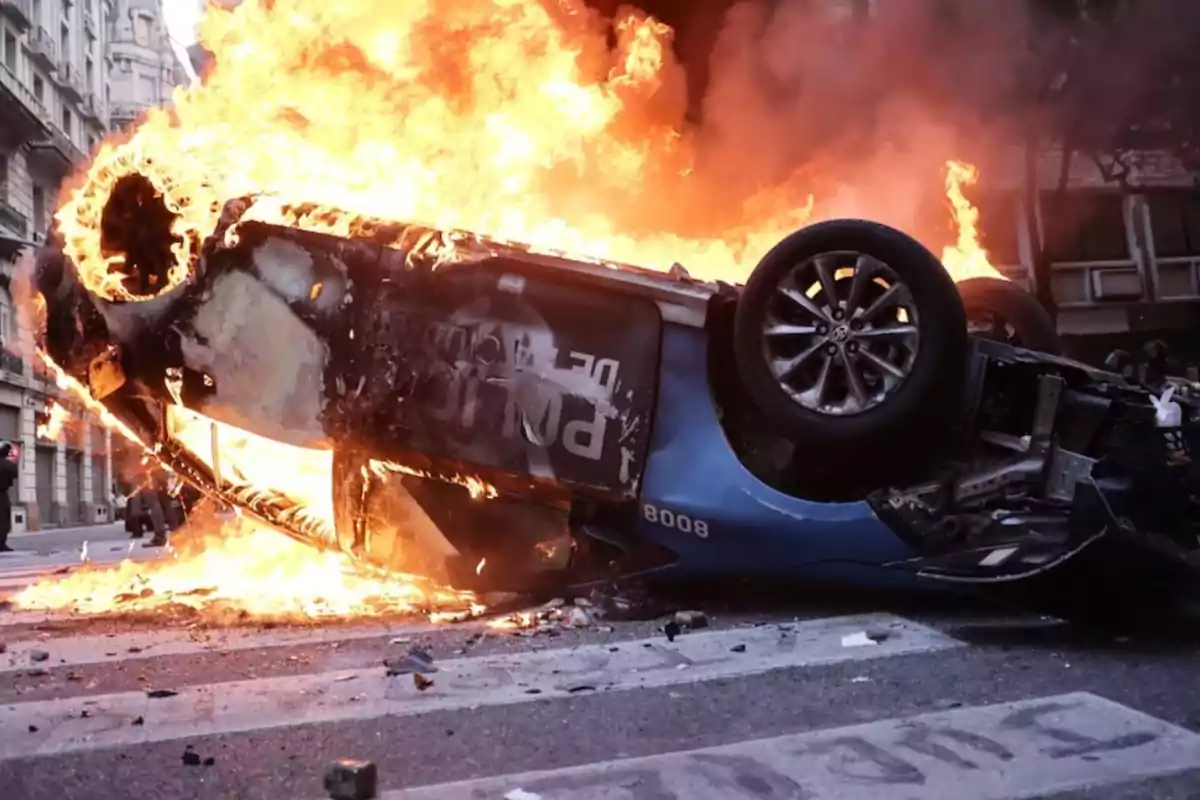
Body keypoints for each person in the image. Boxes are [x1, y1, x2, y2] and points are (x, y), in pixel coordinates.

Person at [0, 443, 18, 552]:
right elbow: (13, 478)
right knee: (4, 521)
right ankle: (1, 544)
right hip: (2, 495)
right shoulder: (9, 465)